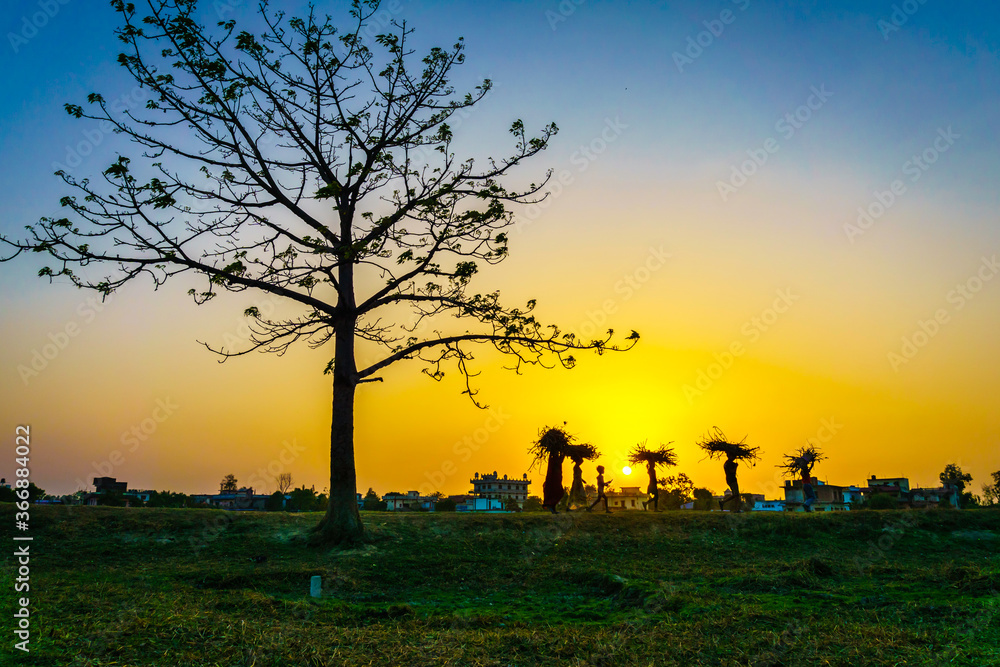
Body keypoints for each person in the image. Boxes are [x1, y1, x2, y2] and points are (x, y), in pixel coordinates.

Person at [541, 449, 566, 514]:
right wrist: (564, 453)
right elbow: (560, 461)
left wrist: (563, 453)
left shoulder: (553, 457)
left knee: (556, 493)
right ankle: (550, 506)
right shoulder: (554, 458)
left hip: (557, 476)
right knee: (559, 492)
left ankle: (553, 509)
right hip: (555, 478)